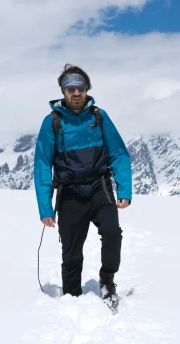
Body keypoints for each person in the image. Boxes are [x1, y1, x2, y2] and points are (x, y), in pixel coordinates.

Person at [33, 64, 132, 303]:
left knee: (112, 235)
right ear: (63, 92)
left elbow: (118, 153)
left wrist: (124, 189)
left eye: (81, 88)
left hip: (100, 188)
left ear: (87, 90)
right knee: (71, 248)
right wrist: (45, 207)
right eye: (71, 89)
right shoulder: (52, 122)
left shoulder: (99, 116)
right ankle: (71, 293)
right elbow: (43, 164)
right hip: (70, 193)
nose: (76, 93)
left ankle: (107, 281)